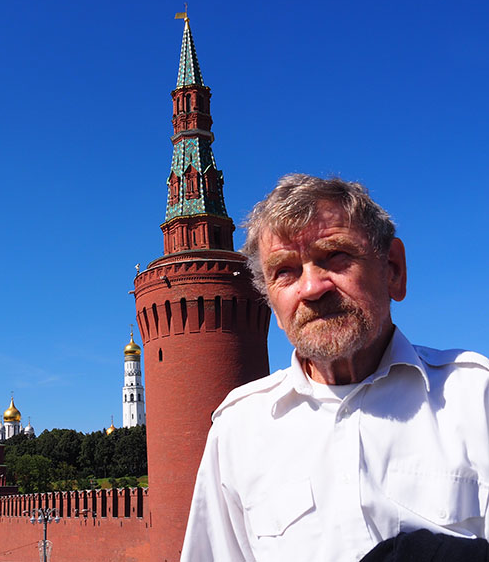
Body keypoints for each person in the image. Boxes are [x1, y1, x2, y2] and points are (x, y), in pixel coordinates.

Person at [180, 174, 489, 562]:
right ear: (271, 306)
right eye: (285, 271)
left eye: (335, 256)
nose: (312, 287)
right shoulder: (238, 429)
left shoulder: (476, 398)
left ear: (393, 269)